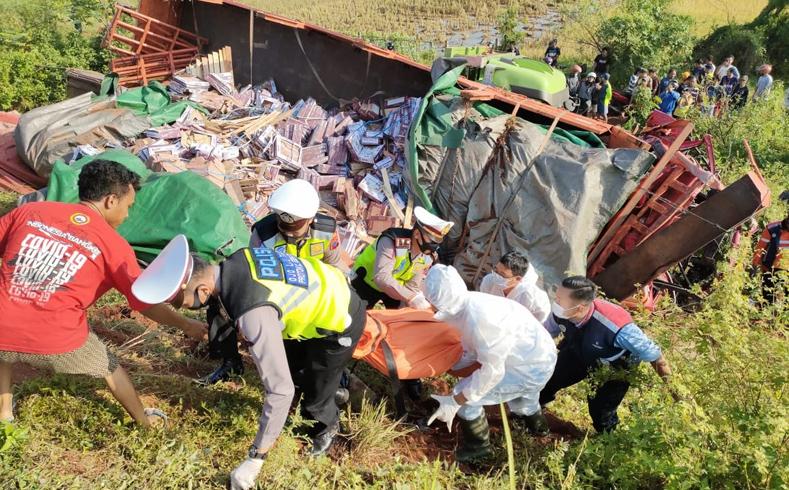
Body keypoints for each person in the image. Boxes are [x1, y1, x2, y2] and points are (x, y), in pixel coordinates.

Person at [136, 243, 367, 489]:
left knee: (316, 388)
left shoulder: (252, 312)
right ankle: (331, 390)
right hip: (321, 295)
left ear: (203, 290)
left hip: (342, 315)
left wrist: (255, 459)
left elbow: (280, 391)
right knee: (297, 371)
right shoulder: (236, 259)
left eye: (180, 302)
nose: (179, 308)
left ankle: (326, 424)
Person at [0, 160, 205, 426]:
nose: (128, 215)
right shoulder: (115, 246)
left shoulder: (30, 212)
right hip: (57, 341)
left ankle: (4, 413)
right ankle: (145, 422)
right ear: (110, 201)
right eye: (128, 206)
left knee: (5, 335)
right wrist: (187, 325)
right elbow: (145, 303)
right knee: (109, 367)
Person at [203, 179, 343, 384]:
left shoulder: (326, 232)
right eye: (283, 224)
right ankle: (230, 361)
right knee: (220, 302)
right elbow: (253, 273)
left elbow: (335, 267)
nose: (287, 232)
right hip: (274, 296)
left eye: (294, 226)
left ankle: (330, 369)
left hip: (312, 298)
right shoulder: (264, 233)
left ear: (310, 218)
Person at [423, 265, 557, 461]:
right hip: (537, 355)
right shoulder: (470, 302)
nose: (430, 306)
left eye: (430, 302)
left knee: (468, 397)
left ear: (441, 303)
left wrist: (456, 400)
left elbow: (492, 372)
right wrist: (454, 367)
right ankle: (540, 431)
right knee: (524, 400)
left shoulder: (480, 322)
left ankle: (479, 449)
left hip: (528, 368)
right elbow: (474, 350)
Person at [539, 276, 674, 433]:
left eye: (560, 300)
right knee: (547, 378)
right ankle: (532, 411)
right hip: (578, 352)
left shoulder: (617, 327)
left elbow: (656, 357)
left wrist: (674, 391)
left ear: (580, 308)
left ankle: (608, 438)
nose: (556, 303)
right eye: (557, 297)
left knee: (600, 410)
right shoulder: (560, 313)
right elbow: (543, 335)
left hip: (612, 369)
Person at [352, 206, 452, 310]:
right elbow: (381, 277)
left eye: (437, 241)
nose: (434, 245)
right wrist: (411, 297)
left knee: (403, 319)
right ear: (417, 234)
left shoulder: (427, 256)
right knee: (356, 317)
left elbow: (412, 286)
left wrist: (413, 302)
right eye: (432, 240)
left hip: (394, 290)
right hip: (366, 282)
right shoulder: (394, 241)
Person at [479, 251, 551, 322]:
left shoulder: (534, 299)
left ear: (517, 279)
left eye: (502, 274)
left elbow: (537, 325)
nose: (496, 276)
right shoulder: (489, 281)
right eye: (496, 270)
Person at [752, 207, 789, 303]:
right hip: (770, 268)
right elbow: (760, 249)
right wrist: (756, 266)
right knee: (768, 299)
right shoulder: (772, 228)